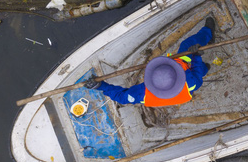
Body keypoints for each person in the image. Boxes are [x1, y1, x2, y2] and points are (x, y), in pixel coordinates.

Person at [85, 17, 215, 107]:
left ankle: (206, 65)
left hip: (184, 86)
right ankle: (208, 34)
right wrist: (196, 55)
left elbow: (122, 97)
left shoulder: (143, 94)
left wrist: (100, 86)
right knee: (188, 46)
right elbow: (196, 74)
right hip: (189, 79)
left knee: (198, 68)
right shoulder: (191, 82)